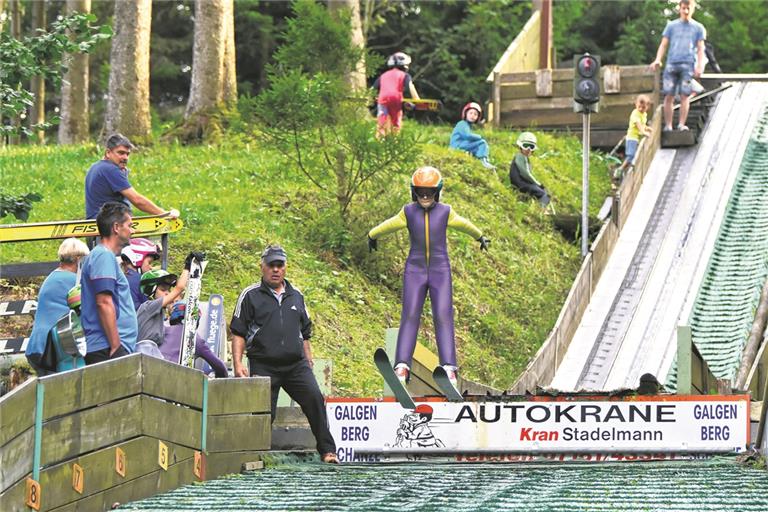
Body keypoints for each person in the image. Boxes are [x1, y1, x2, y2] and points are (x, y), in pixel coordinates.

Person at [367, 167, 490, 386]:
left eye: (430, 192)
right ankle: (402, 366)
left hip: (440, 271)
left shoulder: (445, 211)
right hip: (414, 270)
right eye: (421, 191)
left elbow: (463, 224)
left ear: (438, 192)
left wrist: (479, 235)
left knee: (443, 315)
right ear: (414, 192)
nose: (425, 196)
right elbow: (390, 224)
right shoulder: (407, 211)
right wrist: (373, 234)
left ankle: (449, 367)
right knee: (410, 314)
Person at [230, 245, 338, 463]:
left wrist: (308, 359)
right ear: (262, 267)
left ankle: (328, 451)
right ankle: (254, 455)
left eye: (280, 265)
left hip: (295, 365)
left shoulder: (296, 295)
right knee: (263, 412)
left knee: (315, 399)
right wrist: (238, 363)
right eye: (271, 265)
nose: (275, 270)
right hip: (264, 364)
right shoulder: (250, 295)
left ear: (286, 268)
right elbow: (238, 332)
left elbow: (305, 332)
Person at [136, 258, 228, 378]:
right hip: (146, 355)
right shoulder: (148, 307)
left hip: (154, 357)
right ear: (151, 291)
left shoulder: (161, 320)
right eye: (163, 289)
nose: (168, 293)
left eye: (168, 290)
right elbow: (179, 289)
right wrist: (187, 267)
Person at [80, 201, 138, 364]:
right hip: (106, 349)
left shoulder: (104, 256)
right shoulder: (102, 256)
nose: (133, 230)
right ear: (116, 227)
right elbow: (104, 302)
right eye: (130, 225)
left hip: (109, 348)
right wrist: (115, 346)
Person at [25, 238, 90, 375]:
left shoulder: (52, 277)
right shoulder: (73, 281)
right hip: (54, 349)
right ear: (78, 259)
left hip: (37, 345)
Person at [85, 133, 180, 220]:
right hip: (109, 227)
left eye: (127, 154)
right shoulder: (110, 169)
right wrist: (164, 214)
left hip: (98, 225)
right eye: (121, 153)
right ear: (108, 153)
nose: (125, 157)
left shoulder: (96, 166)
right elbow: (137, 200)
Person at [649, 0, 706, 132]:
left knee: (685, 95)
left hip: (688, 64)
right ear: (679, 8)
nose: (686, 11)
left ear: (692, 9)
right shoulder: (671, 26)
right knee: (669, 95)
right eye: (683, 8)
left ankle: (681, 124)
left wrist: (700, 66)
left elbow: (700, 48)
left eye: (688, 8)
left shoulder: (698, 28)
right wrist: (658, 59)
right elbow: (664, 44)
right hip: (672, 63)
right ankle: (668, 125)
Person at [372, 52, 420, 137]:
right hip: (396, 100)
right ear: (405, 66)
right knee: (395, 124)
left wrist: (369, 98)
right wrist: (418, 101)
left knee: (381, 123)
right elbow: (410, 87)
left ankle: (379, 140)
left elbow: (373, 89)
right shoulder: (405, 75)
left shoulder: (383, 75)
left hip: (382, 100)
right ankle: (394, 141)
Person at [615, 94, 653, 181]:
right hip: (632, 137)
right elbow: (638, 124)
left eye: (643, 107)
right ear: (636, 104)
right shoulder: (635, 114)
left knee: (635, 154)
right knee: (631, 155)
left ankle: (625, 170)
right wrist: (644, 132)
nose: (641, 109)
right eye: (639, 107)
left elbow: (642, 124)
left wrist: (647, 128)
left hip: (636, 137)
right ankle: (620, 169)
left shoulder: (644, 114)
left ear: (647, 107)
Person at [449, 102, 496, 170]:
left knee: (476, 147)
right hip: (457, 145)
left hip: (461, 145)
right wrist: (479, 137)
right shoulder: (462, 123)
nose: (473, 116)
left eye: (475, 114)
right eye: (470, 113)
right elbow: (467, 136)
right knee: (482, 142)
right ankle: (483, 161)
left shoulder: (467, 125)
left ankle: (478, 159)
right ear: (465, 114)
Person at [509, 132, 550, 207]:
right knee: (543, 193)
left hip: (523, 183)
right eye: (526, 146)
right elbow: (525, 173)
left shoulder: (525, 158)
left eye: (531, 147)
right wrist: (538, 183)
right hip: (520, 184)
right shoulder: (520, 156)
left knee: (543, 192)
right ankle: (541, 210)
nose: (528, 149)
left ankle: (540, 208)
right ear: (520, 146)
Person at [120, 238, 161, 310]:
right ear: (137, 258)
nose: (151, 267)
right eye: (149, 262)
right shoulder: (139, 281)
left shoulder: (122, 277)